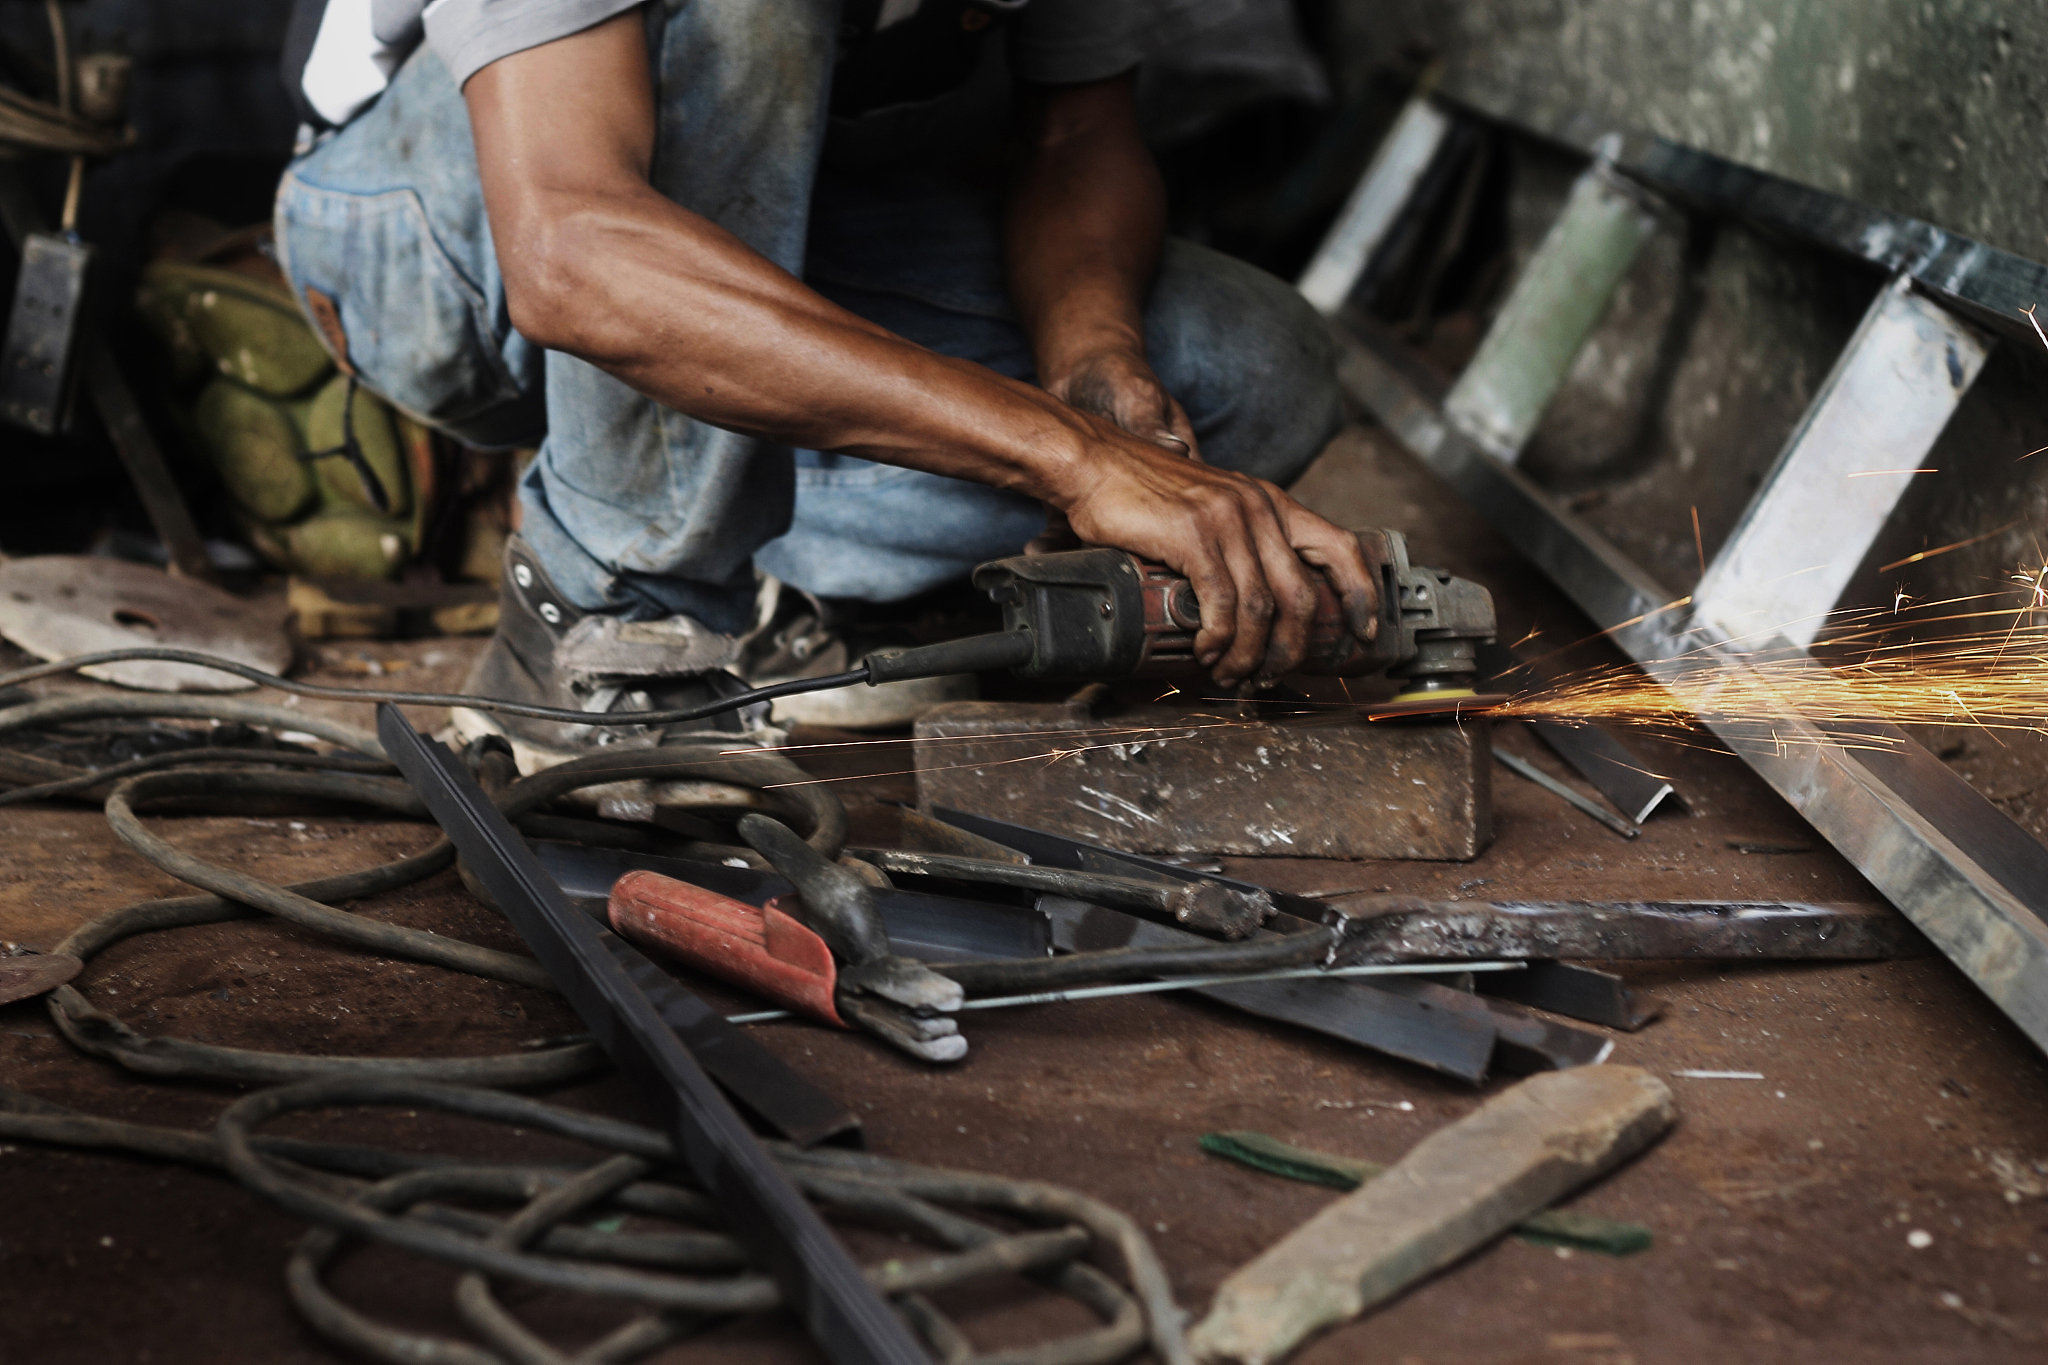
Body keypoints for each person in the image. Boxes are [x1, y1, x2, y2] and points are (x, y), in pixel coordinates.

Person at [275, 0, 1375, 767]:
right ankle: (609, 610)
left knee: (1244, 369)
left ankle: (852, 610)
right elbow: (572, 255)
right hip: (439, 248)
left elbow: (1074, 135)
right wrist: (1067, 458)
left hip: (777, 220)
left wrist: (1100, 382)